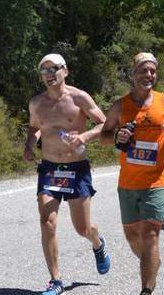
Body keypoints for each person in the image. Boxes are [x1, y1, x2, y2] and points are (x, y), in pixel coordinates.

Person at [23, 53, 111, 295]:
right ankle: (56, 280)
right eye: (44, 71)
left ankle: (98, 243)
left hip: (77, 169)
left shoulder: (79, 97)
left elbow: (105, 124)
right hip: (50, 169)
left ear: (66, 71)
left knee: (82, 228)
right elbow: (34, 126)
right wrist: (30, 144)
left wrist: (84, 136)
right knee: (47, 222)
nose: (49, 74)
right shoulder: (37, 103)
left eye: (54, 69)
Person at [100, 52, 164, 295]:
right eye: (143, 70)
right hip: (128, 183)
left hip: (158, 181)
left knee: (150, 234)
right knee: (133, 237)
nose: (149, 75)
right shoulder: (120, 105)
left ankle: (146, 290)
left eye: (152, 71)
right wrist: (117, 137)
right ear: (133, 73)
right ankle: (152, 262)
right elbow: (104, 136)